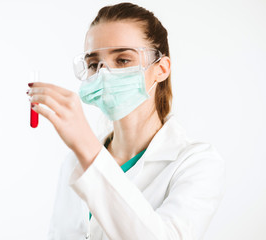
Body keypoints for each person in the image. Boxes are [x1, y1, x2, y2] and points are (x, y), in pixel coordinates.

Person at [26, 2, 225, 240]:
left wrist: (87, 147)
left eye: (122, 60)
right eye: (93, 64)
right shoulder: (74, 162)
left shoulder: (196, 163)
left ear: (161, 69)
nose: (104, 73)